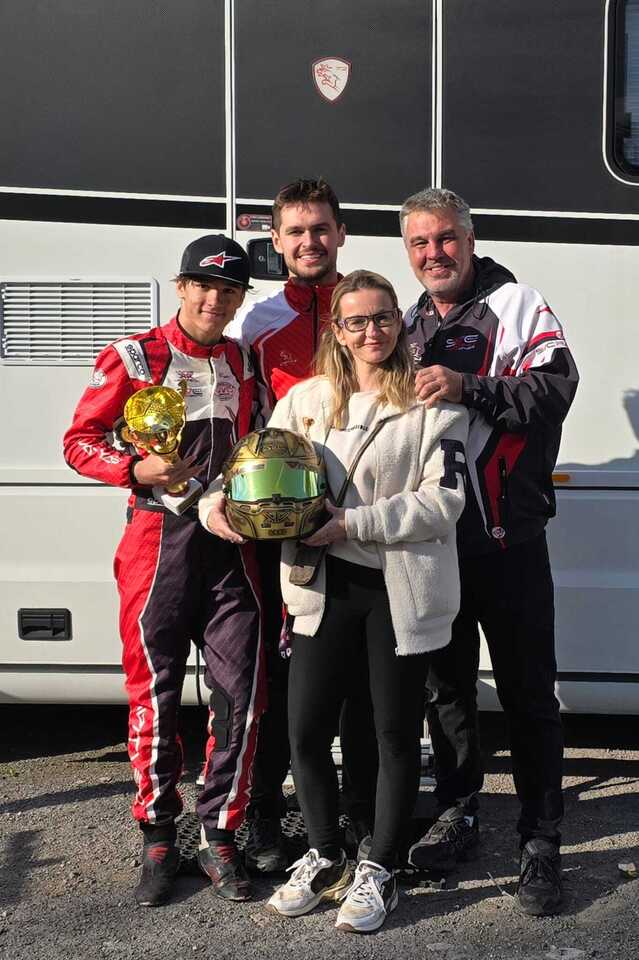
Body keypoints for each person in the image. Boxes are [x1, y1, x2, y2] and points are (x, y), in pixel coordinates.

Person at [201, 270, 468, 933]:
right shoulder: (306, 400)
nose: (372, 331)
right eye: (357, 321)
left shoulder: (433, 403)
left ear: (399, 323)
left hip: (398, 592)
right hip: (321, 589)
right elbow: (250, 466)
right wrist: (217, 508)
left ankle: (380, 866)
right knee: (306, 731)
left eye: (383, 318)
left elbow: (445, 502)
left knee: (392, 735)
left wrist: (352, 523)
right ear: (338, 332)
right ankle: (323, 854)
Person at [63, 235, 264, 907]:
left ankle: (220, 834)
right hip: (157, 546)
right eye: (203, 286)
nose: (215, 300)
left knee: (241, 695)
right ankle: (157, 834)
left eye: (229, 291)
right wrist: (133, 467)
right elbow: (78, 442)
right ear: (180, 287)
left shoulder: (242, 359)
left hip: (231, 547)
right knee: (155, 693)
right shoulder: (134, 356)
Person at [399, 188, 579, 916]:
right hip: (433, 545)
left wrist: (469, 387)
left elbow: (554, 390)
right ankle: (458, 811)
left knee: (528, 693)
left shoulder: (518, 305)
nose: (434, 254)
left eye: (445, 239)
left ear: (470, 241)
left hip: (508, 541)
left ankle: (541, 837)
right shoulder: (405, 322)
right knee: (445, 692)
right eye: (419, 243)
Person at [225, 178, 379, 872]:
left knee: (358, 681)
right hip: (278, 531)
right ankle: (264, 814)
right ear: (276, 240)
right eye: (295, 231)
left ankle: (359, 816)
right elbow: (242, 421)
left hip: (356, 524)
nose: (309, 241)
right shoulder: (257, 321)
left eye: (320, 228)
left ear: (340, 233)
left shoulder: (366, 311)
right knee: (276, 674)